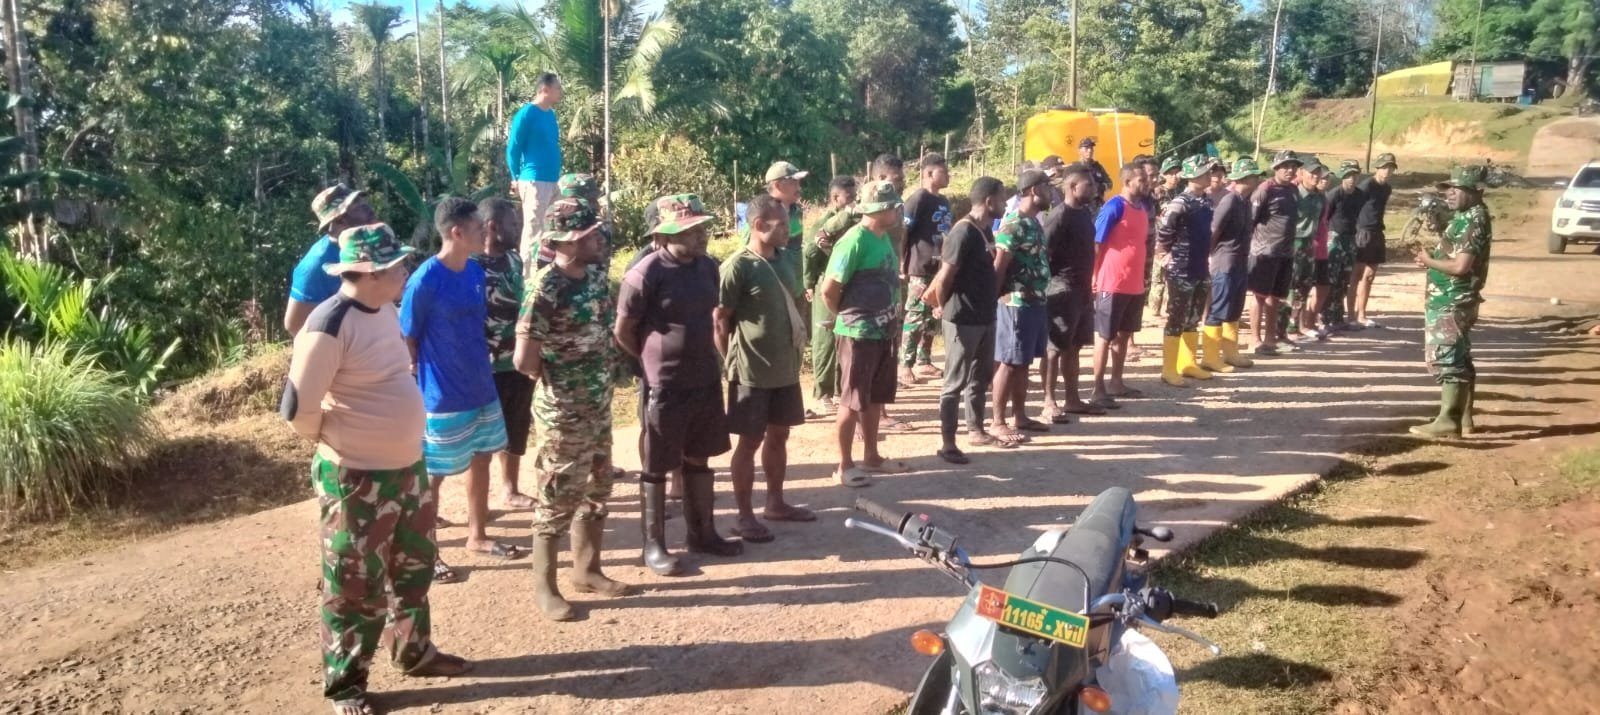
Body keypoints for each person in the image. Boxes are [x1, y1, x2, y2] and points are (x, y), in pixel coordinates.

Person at [281, 223, 470, 714]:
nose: (405, 271)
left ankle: (414, 652)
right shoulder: (328, 325)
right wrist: (344, 440)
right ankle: (346, 687)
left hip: (407, 468)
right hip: (357, 478)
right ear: (369, 272)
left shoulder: (383, 309)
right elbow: (297, 410)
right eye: (396, 266)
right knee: (354, 587)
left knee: (414, 568)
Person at [513, 198, 630, 621]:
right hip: (563, 412)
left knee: (597, 488)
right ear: (568, 240)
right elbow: (523, 358)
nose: (599, 240)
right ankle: (545, 588)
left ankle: (587, 570)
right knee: (557, 495)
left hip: (597, 407)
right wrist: (562, 380)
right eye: (590, 234)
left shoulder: (595, 278)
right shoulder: (546, 287)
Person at [616, 194, 741, 576]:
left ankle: (702, 533)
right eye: (692, 230)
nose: (702, 235)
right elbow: (623, 330)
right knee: (657, 463)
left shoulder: (708, 267)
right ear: (667, 234)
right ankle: (653, 544)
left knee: (699, 457)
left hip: (704, 377)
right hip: (663, 384)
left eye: (702, 228)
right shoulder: (645, 273)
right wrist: (651, 361)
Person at [401, 197, 521, 578]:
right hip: (442, 395)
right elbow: (408, 337)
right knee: (433, 473)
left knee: (482, 457)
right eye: (477, 227)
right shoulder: (424, 281)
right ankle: (428, 551)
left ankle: (477, 535)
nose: (485, 231)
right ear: (456, 232)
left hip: (481, 386)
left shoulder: (473, 272)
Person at [715, 194, 816, 543]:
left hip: (784, 369)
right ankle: (744, 516)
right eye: (782, 224)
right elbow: (720, 321)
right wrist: (732, 365)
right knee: (749, 441)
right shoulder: (737, 267)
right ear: (758, 225)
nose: (789, 229)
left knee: (779, 434)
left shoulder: (784, 259)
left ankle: (776, 503)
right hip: (751, 372)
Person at [820, 179, 911, 488]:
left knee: (874, 397)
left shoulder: (882, 237)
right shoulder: (854, 241)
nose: (896, 211)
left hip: (883, 331)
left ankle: (872, 456)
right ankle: (844, 465)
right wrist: (846, 317)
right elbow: (829, 289)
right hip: (858, 333)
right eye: (891, 207)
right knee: (852, 399)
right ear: (877, 209)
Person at [923, 177, 1010, 464]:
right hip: (962, 319)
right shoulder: (963, 232)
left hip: (984, 317)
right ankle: (948, 443)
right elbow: (945, 278)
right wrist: (943, 308)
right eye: (1002, 198)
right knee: (954, 382)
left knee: (979, 378)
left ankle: (976, 430)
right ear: (989, 201)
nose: (1005, 204)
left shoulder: (985, 230)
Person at [1409, 166, 1492, 439]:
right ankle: (1464, 417)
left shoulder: (1473, 220)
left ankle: (1448, 420)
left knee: (1447, 358)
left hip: (1452, 300)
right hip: (1453, 298)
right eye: (1448, 189)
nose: (1450, 194)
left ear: (1476, 191)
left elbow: (1460, 266)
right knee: (1459, 356)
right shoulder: (1468, 215)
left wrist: (1428, 260)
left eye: (1458, 189)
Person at [473, 198, 534, 510]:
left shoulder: (513, 259)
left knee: (516, 425)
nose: (517, 229)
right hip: (484, 366)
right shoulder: (470, 266)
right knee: (483, 436)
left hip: (516, 360)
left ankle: (510, 489)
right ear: (492, 226)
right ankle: (478, 506)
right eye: (512, 224)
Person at [1038, 166, 1107, 422]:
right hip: (1061, 290)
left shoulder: (1084, 213)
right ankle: (1049, 401)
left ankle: (1072, 399)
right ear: (1072, 187)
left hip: (1081, 290)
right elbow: (1043, 254)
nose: (1094, 189)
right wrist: (1050, 286)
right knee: (1054, 348)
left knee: (1074, 346)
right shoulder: (1059, 216)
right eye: (1089, 185)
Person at [990, 169, 1053, 442]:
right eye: (1047, 187)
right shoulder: (1013, 224)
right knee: (1008, 361)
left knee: (1023, 361)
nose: (1051, 192)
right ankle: (997, 421)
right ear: (1033, 190)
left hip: (1035, 301)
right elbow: (999, 266)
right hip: (1015, 303)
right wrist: (992, 300)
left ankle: (1020, 415)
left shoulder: (1034, 222)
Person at [1088, 165, 1151, 408]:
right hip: (1112, 282)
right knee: (1105, 336)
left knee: (1124, 334)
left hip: (1134, 284)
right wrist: (1093, 276)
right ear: (1127, 181)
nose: (1146, 183)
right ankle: (1097, 388)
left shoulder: (1142, 208)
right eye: (1141, 179)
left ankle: (1116, 381)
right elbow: (1097, 244)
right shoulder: (1113, 207)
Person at [1155, 155, 1220, 386]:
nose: (1209, 175)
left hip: (1200, 266)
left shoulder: (1206, 201)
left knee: (1193, 317)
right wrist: (1165, 256)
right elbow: (1164, 232)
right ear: (1193, 176)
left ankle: (1188, 363)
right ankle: (1168, 369)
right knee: (1176, 318)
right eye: (1205, 172)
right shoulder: (1180, 202)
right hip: (1181, 269)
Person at [285, 185, 376, 335]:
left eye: (365, 204)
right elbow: (294, 325)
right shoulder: (315, 266)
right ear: (339, 220)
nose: (370, 210)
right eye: (359, 208)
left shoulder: (370, 244)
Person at [1203, 158, 1266, 370]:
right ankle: (1210, 356)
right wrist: (1209, 256)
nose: (1257, 180)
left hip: (1240, 261)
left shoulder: (1245, 202)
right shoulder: (1229, 201)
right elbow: (1214, 230)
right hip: (1225, 261)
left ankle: (1231, 352)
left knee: (1234, 309)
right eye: (1254, 176)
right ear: (1244, 179)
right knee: (1219, 308)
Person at [803, 176, 858, 418]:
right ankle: (822, 394)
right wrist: (808, 283)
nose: (854, 201)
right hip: (825, 283)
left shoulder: (853, 221)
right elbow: (809, 253)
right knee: (825, 339)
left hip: (847, 285)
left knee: (843, 337)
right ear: (835, 198)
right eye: (849, 197)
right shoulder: (826, 222)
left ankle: (838, 389)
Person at [899, 153, 954, 385]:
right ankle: (905, 364)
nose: (948, 175)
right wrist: (902, 261)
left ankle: (924, 360)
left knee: (932, 315)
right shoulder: (918, 199)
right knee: (915, 315)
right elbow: (904, 231)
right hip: (919, 266)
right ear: (929, 173)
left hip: (939, 267)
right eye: (944, 171)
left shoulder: (944, 201)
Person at [507, 72, 564, 272]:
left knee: (554, 229)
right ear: (544, 90)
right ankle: (527, 276)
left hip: (553, 180)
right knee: (534, 231)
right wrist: (515, 178)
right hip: (534, 181)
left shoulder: (550, 115)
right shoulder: (526, 113)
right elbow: (513, 148)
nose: (560, 91)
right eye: (557, 88)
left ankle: (549, 272)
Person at [1247, 150, 1302, 356]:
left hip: (1285, 252)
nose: (1290, 170)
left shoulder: (1293, 190)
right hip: (1264, 252)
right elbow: (1250, 221)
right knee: (1259, 295)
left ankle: (1270, 338)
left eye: (1294, 166)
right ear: (1276, 168)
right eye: (1286, 166)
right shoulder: (1265, 190)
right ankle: (1254, 339)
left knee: (1276, 296)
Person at [1351, 153, 1398, 329]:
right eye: (1384, 167)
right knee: (1356, 275)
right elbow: (1354, 207)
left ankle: (1362, 314)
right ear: (1377, 168)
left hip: (1377, 232)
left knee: (1369, 276)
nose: (1387, 171)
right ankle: (1350, 316)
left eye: (1391, 168)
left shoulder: (1387, 188)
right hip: (1363, 231)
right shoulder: (1366, 186)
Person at [1284, 157, 1328, 344]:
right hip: (1293, 244)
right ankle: (1286, 328)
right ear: (1301, 173)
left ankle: (1299, 325)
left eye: (1318, 172)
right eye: (1312, 172)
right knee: (1289, 288)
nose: (1316, 176)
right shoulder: (1293, 194)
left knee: (1304, 286)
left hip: (1309, 245)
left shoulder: (1320, 197)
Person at [762, 161, 811, 310]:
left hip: (797, 291)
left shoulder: (797, 212)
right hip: (774, 296)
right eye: (794, 182)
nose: (799, 187)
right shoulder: (762, 215)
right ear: (778, 185)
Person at [1322, 161, 1365, 330]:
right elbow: (1325, 218)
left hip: (1351, 239)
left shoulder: (1360, 195)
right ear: (1341, 177)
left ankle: (1338, 317)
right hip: (1335, 238)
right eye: (1348, 176)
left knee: (1344, 280)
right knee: (1331, 279)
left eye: (1354, 175)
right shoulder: (1334, 195)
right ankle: (1325, 318)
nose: (1351, 179)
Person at [1147, 157, 1184, 320]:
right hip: (1160, 238)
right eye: (1171, 173)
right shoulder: (1158, 192)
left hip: (1176, 239)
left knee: (1172, 276)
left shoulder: (1180, 192)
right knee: (1158, 277)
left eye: (1176, 173)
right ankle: (1154, 310)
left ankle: (1168, 308)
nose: (1174, 177)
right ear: (1164, 175)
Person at [1078, 137, 1113, 202]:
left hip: (1098, 202)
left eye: (1091, 148)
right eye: (1086, 148)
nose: (1090, 150)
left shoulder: (1098, 167)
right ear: (1079, 150)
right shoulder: (1076, 168)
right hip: (1083, 203)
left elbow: (1110, 183)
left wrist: (1101, 187)